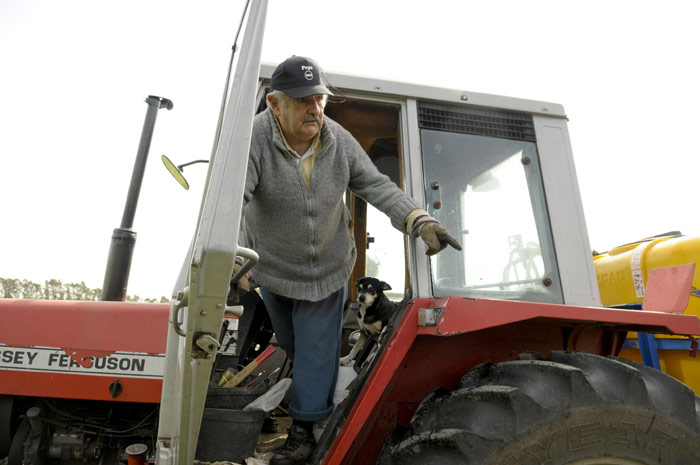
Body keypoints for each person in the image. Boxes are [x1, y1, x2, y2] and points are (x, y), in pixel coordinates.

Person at [241, 56, 460, 465]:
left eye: (320, 99)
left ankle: (304, 433)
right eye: (303, 100)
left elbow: (376, 185)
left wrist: (418, 218)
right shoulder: (254, 139)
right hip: (272, 269)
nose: (315, 109)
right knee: (294, 343)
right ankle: (310, 399)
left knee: (316, 348)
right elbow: (237, 200)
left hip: (328, 269)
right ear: (274, 103)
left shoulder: (337, 141)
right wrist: (234, 257)